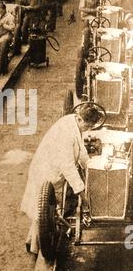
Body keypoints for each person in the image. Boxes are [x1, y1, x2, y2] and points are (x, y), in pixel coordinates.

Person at [21, 104, 103, 257]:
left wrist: (92, 166)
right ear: (80, 118)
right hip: (47, 171)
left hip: (52, 169)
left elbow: (81, 151)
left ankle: (32, 242)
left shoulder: (73, 122)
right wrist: (83, 194)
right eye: (87, 125)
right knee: (44, 212)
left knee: (42, 211)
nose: (88, 129)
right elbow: (68, 167)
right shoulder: (67, 133)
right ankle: (37, 250)